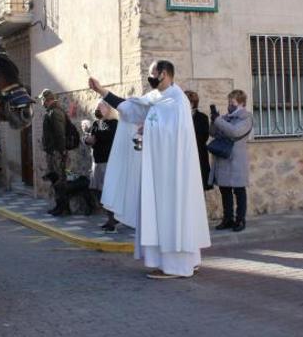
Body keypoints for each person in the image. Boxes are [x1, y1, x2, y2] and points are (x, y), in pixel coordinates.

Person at [90, 60, 211, 279]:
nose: (150, 78)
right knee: (165, 213)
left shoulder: (177, 101)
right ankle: (188, 261)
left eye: (152, 74)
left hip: (173, 172)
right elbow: (131, 107)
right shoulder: (156, 98)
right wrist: (102, 91)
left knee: (173, 212)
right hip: (159, 169)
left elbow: (174, 134)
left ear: (164, 74)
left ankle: (176, 266)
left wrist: (149, 128)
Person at [209, 90, 254, 232]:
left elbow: (234, 132)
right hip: (223, 159)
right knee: (225, 191)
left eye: (232, 102)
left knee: (239, 191)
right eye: (229, 102)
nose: (229, 105)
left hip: (236, 160)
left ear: (241, 102)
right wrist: (214, 120)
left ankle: (240, 220)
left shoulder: (246, 118)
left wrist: (218, 121)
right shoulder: (226, 117)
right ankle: (228, 219)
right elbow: (213, 133)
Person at [84, 100, 119, 231]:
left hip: (108, 161)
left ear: (108, 109)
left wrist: (94, 136)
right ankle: (110, 217)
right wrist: (87, 139)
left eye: (100, 107)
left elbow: (109, 137)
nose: (97, 109)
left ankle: (112, 219)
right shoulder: (96, 123)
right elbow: (89, 137)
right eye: (97, 107)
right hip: (96, 161)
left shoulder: (114, 123)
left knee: (108, 191)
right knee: (97, 190)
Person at [39, 88, 68, 213]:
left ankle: (62, 207)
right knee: (55, 179)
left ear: (47, 99)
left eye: (42, 99)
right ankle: (58, 205)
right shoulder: (50, 112)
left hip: (56, 152)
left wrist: (62, 151)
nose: (41, 102)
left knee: (59, 179)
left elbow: (60, 133)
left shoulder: (55, 112)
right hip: (53, 151)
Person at [185, 90, 212, 191]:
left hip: (198, 155)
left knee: (199, 188)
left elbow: (204, 136)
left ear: (191, 103)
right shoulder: (179, 117)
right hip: (184, 156)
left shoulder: (202, 117)